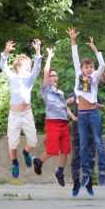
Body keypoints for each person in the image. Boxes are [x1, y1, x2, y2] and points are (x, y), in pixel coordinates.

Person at [68, 27, 105, 189]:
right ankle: (85, 173)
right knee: (83, 144)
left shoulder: (96, 77)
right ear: (82, 69)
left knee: (98, 142)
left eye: (91, 67)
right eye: (86, 67)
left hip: (92, 113)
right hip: (81, 115)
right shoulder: (78, 74)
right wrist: (73, 40)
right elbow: (75, 57)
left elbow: (103, 65)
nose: (89, 69)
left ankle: (103, 171)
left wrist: (95, 49)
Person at [0, 38, 42, 179]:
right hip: (14, 115)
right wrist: (6, 51)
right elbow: (3, 65)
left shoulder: (30, 79)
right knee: (12, 141)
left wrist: (37, 51)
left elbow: (37, 67)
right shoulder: (12, 77)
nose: (28, 68)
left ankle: (25, 153)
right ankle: (14, 162)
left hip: (27, 114)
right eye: (26, 65)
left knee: (33, 141)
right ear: (18, 67)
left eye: (29, 66)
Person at [33, 47, 72, 186]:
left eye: (56, 75)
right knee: (52, 150)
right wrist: (49, 56)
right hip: (53, 123)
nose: (55, 77)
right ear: (48, 78)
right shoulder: (45, 89)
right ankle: (38, 161)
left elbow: (64, 106)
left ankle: (60, 172)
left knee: (65, 149)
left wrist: (73, 117)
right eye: (52, 75)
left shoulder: (60, 92)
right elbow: (45, 71)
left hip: (64, 123)